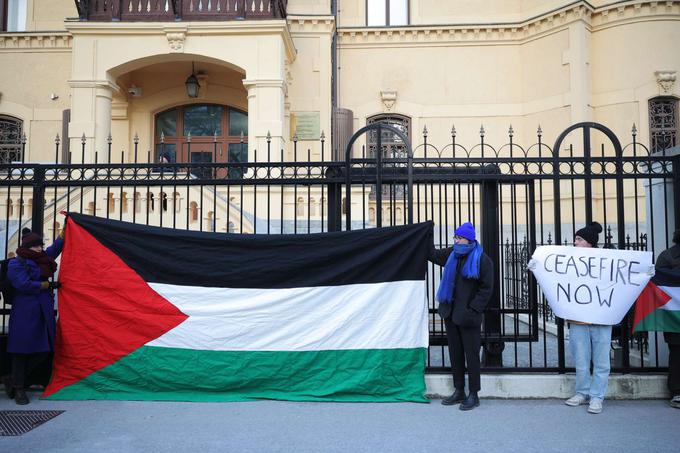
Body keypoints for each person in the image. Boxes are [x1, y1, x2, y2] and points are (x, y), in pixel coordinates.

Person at [429, 222, 494, 410]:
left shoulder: (482, 259)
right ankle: (459, 390)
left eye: (460, 237)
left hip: (468, 317)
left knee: (471, 356)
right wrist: (426, 232)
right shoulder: (451, 254)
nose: (456, 240)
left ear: (469, 239)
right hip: (450, 314)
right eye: (455, 237)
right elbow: (431, 254)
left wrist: (473, 309)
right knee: (455, 354)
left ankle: (474, 394)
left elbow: (486, 289)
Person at [3, 229, 64, 405]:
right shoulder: (16, 263)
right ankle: (19, 387)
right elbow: (22, 284)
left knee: (44, 350)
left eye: (40, 245)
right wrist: (44, 285)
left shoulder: (42, 258)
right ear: (28, 246)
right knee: (21, 351)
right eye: (37, 245)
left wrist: (62, 237)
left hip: (42, 310)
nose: (40, 248)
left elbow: (53, 250)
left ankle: (12, 379)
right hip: (25, 311)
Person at [564, 221, 611, 414]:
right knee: (581, 359)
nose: (575, 242)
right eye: (575, 239)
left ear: (590, 243)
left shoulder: (607, 260)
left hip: (601, 318)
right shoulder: (569, 262)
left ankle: (597, 396)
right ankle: (582, 392)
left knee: (601, 360)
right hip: (578, 319)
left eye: (579, 239)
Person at [656, 229, 680, 409]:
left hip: (673, 315)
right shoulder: (668, 257)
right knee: (677, 352)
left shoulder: (666, 256)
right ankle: (677, 392)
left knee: (676, 352)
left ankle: (677, 392)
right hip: (674, 315)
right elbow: (657, 285)